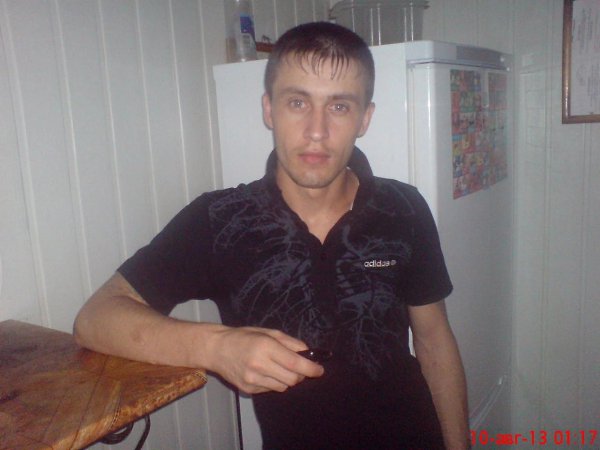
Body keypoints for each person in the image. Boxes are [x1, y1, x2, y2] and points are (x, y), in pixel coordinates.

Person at [74, 21, 470, 450]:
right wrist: (217, 348)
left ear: (364, 119)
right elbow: (95, 319)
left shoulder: (404, 207)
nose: (316, 130)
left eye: (339, 106)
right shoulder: (220, 220)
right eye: (297, 102)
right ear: (269, 110)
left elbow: (434, 341)